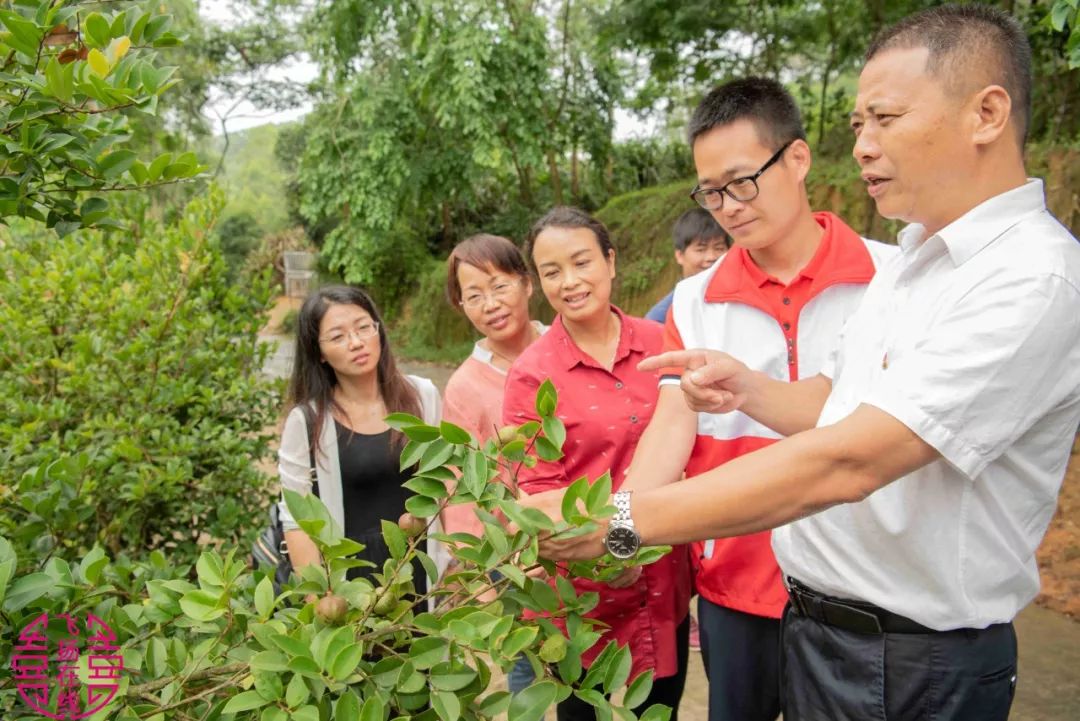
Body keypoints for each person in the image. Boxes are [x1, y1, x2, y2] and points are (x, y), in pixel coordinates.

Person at [523, 5, 1080, 721]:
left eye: (885, 118)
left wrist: (617, 523)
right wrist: (751, 388)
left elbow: (847, 460)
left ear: (986, 113)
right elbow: (836, 403)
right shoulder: (915, 262)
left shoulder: (1028, 278)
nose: (866, 147)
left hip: (908, 656)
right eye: (858, 125)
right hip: (814, 625)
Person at [623, 77, 895, 721]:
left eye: (742, 181)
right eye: (710, 191)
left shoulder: (892, 280)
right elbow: (670, 429)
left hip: (861, 595)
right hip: (735, 589)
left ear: (796, 159)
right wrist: (619, 529)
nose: (728, 206)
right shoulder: (694, 299)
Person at [504, 207, 691, 721]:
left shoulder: (662, 346)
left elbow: (694, 451)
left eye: (581, 261)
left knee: (660, 710)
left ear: (611, 261)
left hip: (661, 580)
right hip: (581, 598)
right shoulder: (531, 375)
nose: (569, 282)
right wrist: (616, 552)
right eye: (551, 271)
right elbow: (539, 500)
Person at [278, 286, 445, 595]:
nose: (356, 342)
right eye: (338, 336)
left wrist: (453, 564)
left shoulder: (423, 397)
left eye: (363, 327)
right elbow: (295, 520)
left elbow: (446, 481)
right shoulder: (307, 421)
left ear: (378, 329)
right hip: (350, 584)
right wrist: (322, 600)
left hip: (420, 565)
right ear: (319, 352)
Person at [441, 232, 547, 693]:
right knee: (527, 667)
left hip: (590, 533)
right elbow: (460, 484)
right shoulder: (465, 387)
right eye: (474, 295)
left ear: (527, 283)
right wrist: (483, 573)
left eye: (499, 285)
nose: (490, 304)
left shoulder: (566, 347)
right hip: (518, 560)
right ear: (461, 306)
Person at [645, 208, 730, 323]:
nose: (711, 257)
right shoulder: (661, 317)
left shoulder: (744, 300)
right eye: (701, 249)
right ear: (679, 256)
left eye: (719, 248)